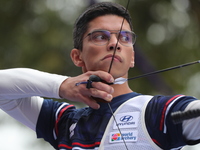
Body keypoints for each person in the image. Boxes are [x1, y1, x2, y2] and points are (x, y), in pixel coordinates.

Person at [0, 2, 200, 150]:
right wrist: (62, 85)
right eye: (100, 36)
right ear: (77, 57)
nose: (115, 43)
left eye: (125, 38)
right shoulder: (64, 121)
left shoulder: (159, 113)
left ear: (132, 57)